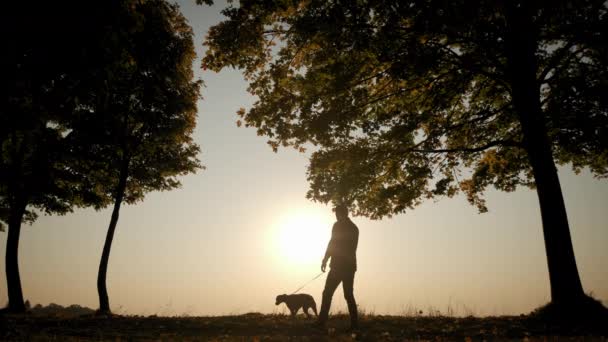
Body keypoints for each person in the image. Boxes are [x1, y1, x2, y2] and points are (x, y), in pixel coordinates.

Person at [317, 204, 359, 330]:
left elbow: (349, 248)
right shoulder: (338, 226)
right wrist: (325, 259)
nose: (336, 215)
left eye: (338, 213)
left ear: (344, 213)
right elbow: (332, 242)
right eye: (336, 213)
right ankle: (322, 322)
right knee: (331, 293)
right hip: (343, 266)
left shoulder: (352, 229)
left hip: (344, 267)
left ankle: (354, 324)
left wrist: (331, 260)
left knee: (346, 294)